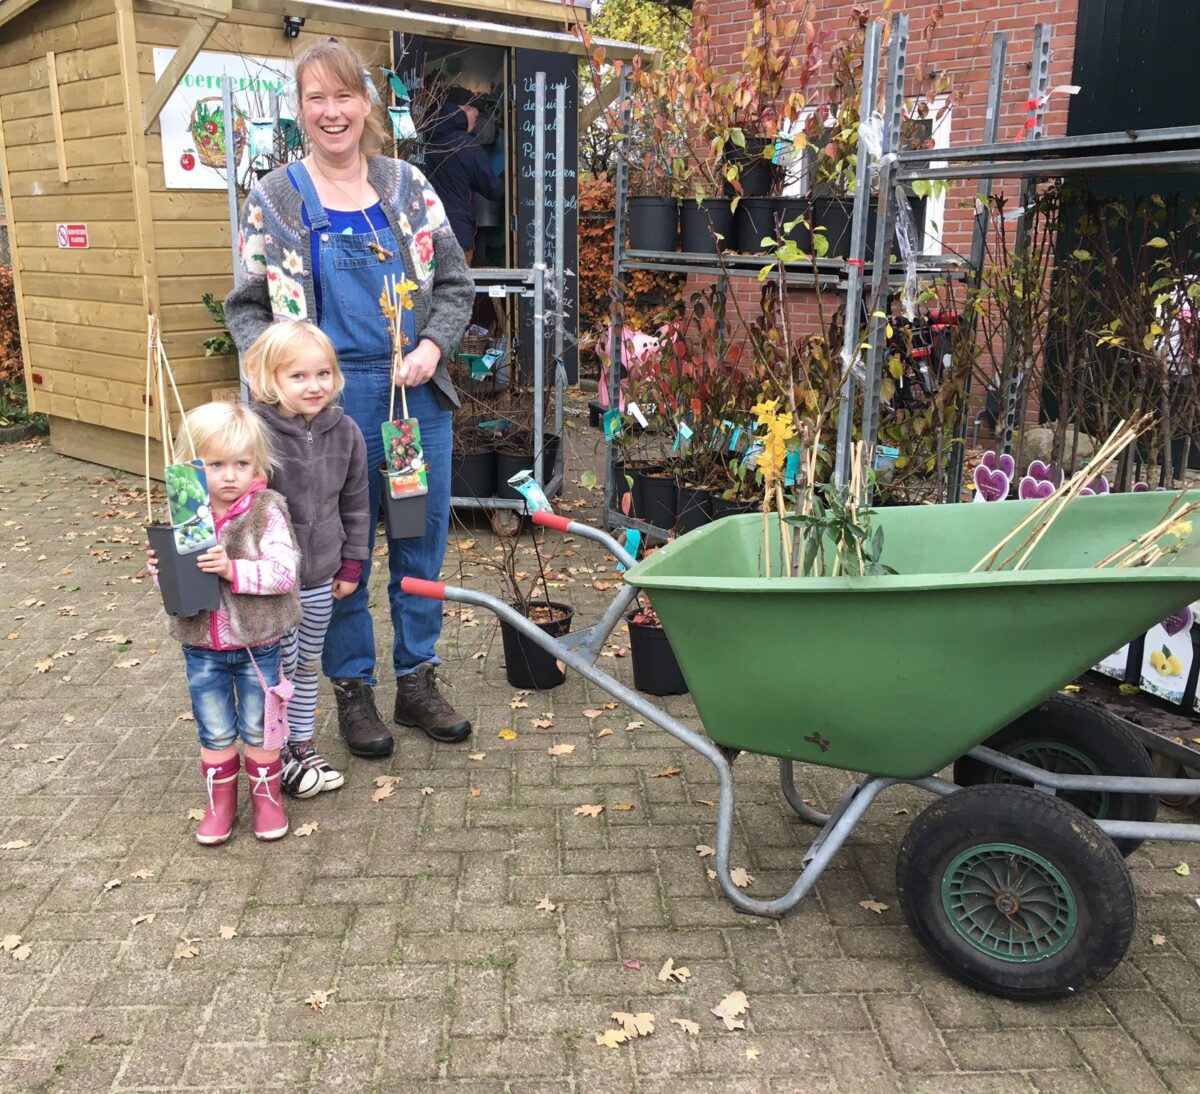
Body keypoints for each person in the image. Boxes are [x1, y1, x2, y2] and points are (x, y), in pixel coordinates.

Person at [224, 37, 476, 759]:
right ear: (300, 110)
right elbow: (246, 309)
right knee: (333, 551)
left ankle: (418, 680)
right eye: (316, 99)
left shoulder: (408, 188)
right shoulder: (275, 199)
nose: (332, 112)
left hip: (412, 398)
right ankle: (353, 691)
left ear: (366, 104)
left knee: (419, 541)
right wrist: (274, 373)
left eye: (344, 96)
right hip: (318, 414)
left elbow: (455, 286)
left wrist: (432, 348)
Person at [147, 402, 302, 844]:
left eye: (241, 463)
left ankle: (267, 800)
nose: (230, 476)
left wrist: (232, 569)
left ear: (258, 464)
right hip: (201, 647)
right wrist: (163, 568)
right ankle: (221, 805)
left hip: (258, 646)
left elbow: (285, 572)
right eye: (215, 465)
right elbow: (174, 582)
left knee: (260, 726)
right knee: (214, 728)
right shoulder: (186, 512)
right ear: (191, 467)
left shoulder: (266, 511)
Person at [244, 320, 369, 796]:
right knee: (278, 668)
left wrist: (352, 562)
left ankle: (302, 744)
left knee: (308, 664)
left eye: (323, 374)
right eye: (298, 376)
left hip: (322, 578)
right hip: (273, 583)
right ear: (268, 379)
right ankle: (270, 755)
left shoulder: (347, 431)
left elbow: (356, 503)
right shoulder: (254, 431)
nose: (314, 386)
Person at [422, 87, 504, 262]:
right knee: (458, 287)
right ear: (464, 109)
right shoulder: (466, 145)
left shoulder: (426, 141)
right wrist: (509, 179)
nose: (476, 122)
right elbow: (493, 189)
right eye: (475, 115)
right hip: (457, 235)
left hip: (425, 234)